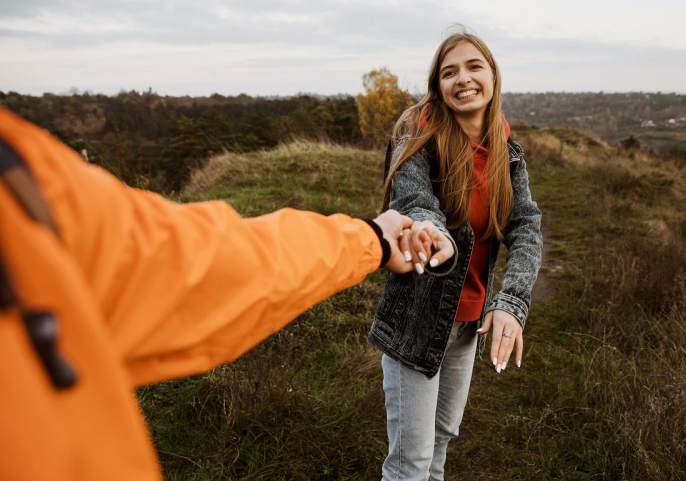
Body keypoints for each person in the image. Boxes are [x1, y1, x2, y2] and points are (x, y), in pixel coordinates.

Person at [0, 106, 454, 480]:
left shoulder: (20, 177)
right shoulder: (20, 174)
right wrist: (375, 239)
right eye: (452, 70)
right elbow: (192, 263)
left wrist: (369, 241)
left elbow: (194, 262)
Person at [367, 28, 543, 480]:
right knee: (411, 463)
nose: (462, 79)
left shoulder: (508, 154)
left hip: (468, 325)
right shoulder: (416, 142)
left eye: (473, 67)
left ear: (493, 77)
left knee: (441, 442)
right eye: (449, 72)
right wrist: (429, 227)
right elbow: (412, 200)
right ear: (438, 86)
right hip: (416, 321)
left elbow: (525, 225)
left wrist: (512, 303)